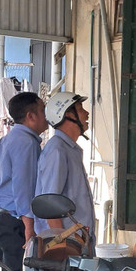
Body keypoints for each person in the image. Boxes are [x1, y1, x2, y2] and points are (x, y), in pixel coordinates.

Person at [0, 92, 48, 271]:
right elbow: (24, 188)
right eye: (43, 110)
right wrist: (29, 229)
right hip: (16, 223)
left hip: (1, 218)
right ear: (31, 116)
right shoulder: (26, 142)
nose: (47, 115)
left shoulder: (6, 140)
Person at [36, 91, 94, 243]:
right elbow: (50, 206)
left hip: (77, 241)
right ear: (68, 114)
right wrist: (61, 244)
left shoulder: (69, 149)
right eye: (81, 109)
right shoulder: (57, 150)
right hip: (66, 244)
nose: (87, 114)